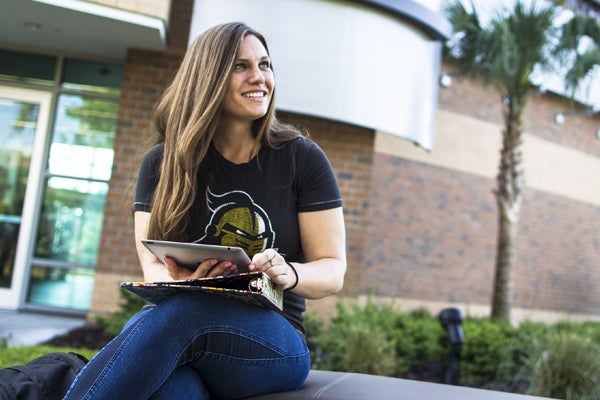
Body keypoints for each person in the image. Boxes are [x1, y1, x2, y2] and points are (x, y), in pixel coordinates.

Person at [63, 22, 346, 400]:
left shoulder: (301, 158)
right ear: (209, 77)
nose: (259, 77)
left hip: (275, 344)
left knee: (184, 313)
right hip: (191, 335)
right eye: (241, 66)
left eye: (265, 65)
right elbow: (153, 267)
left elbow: (332, 269)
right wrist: (182, 278)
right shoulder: (162, 164)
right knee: (173, 389)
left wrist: (288, 272)